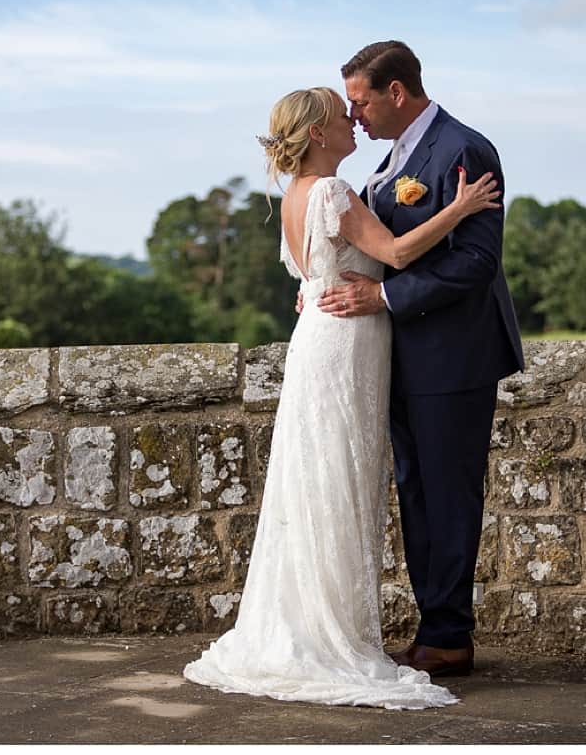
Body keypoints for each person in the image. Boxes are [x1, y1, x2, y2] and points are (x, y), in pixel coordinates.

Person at [183, 86, 501, 710]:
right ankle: (331, 637)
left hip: (319, 338)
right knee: (337, 480)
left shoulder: (296, 194)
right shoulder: (332, 191)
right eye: (340, 114)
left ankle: (313, 626)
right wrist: (460, 208)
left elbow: (312, 274)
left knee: (319, 480)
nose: (352, 121)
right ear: (318, 133)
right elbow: (397, 252)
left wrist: (316, 288)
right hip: (346, 341)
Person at [317, 40, 524, 677]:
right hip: (404, 356)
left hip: (453, 355)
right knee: (417, 493)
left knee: (448, 495)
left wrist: (384, 296)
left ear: (396, 92)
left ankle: (450, 637)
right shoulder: (396, 158)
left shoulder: (463, 149)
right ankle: (434, 627)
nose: (355, 117)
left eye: (360, 102)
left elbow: (477, 261)